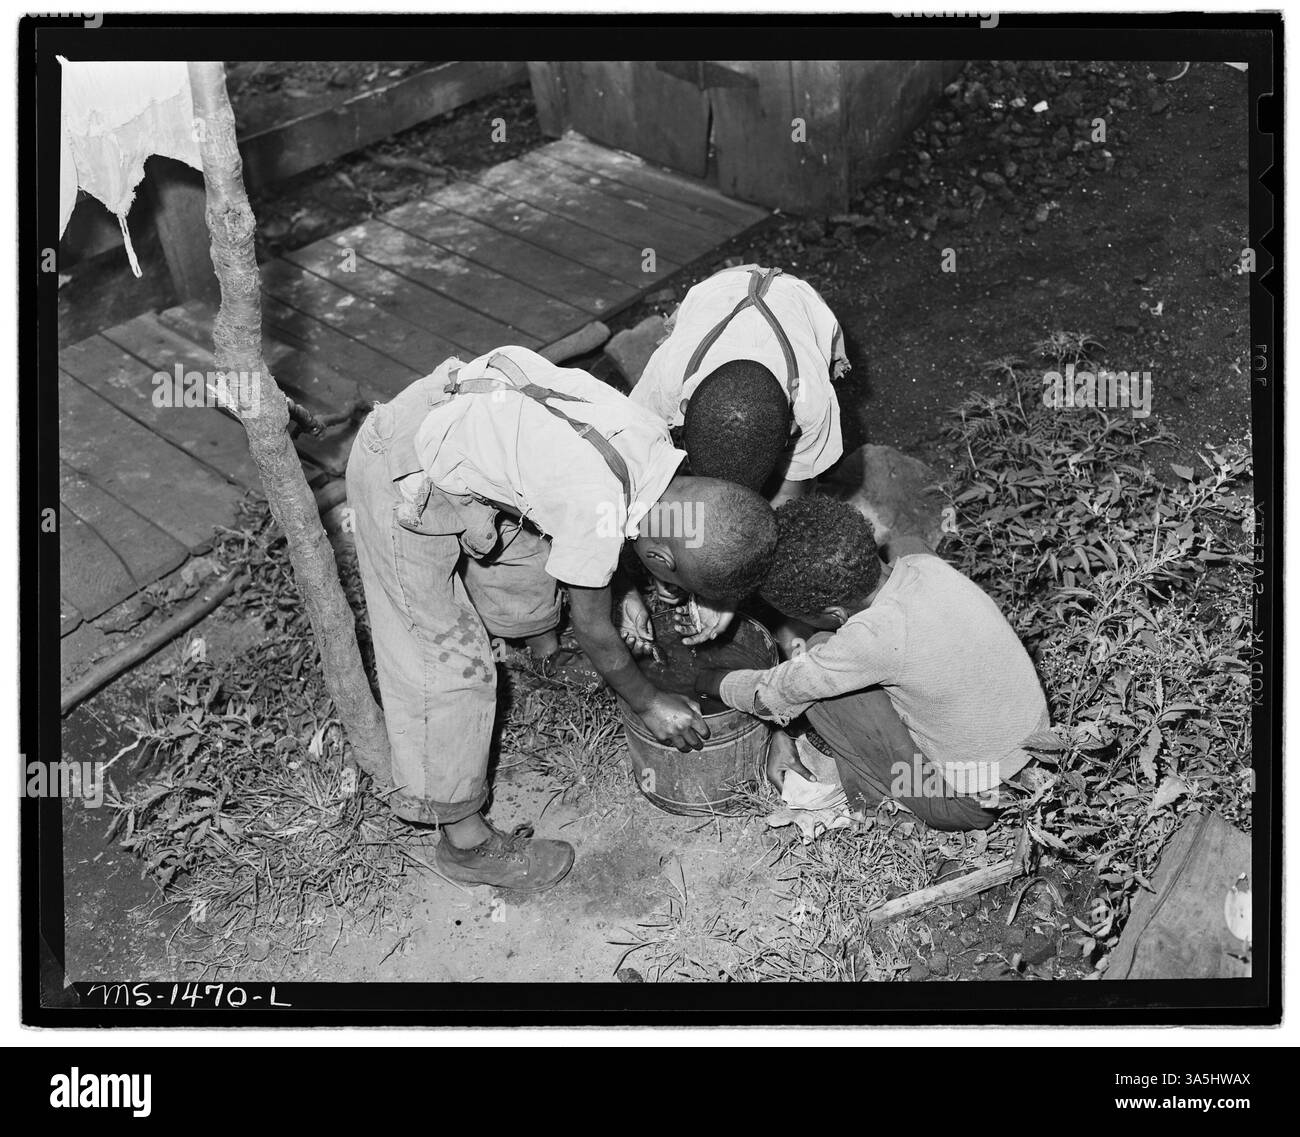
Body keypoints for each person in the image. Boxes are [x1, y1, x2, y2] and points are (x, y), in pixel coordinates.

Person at [346, 345, 776, 890]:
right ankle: (466, 843)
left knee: (527, 564)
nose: (666, 588)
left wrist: (627, 587)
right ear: (662, 559)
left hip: (482, 425)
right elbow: (594, 624)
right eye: (671, 581)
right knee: (444, 661)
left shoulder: (652, 441)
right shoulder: (595, 509)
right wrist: (646, 700)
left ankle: (544, 653)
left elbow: (606, 519)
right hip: (402, 472)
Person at [694, 498, 1050, 832]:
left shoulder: (870, 640)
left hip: (971, 803)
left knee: (821, 679)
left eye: (796, 615)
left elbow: (772, 695)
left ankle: (879, 806)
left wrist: (707, 679)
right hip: (1039, 752)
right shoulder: (922, 565)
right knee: (903, 547)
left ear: (835, 613)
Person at [629, 264, 848, 506]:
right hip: (720, 289)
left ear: (791, 429)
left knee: (803, 478)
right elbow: (638, 452)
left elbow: (790, 496)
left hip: (798, 300)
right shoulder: (669, 376)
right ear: (684, 406)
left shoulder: (809, 405)